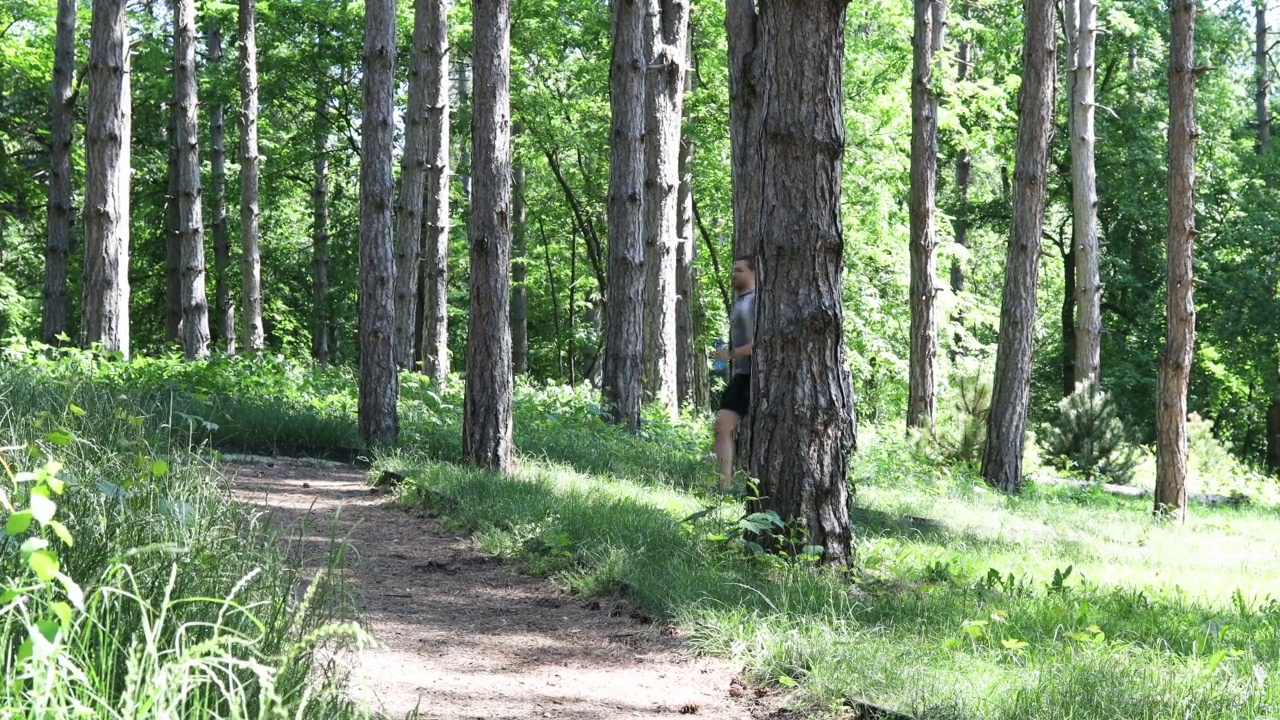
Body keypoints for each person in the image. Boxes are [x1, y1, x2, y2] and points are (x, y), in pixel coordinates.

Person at [713, 256, 756, 491]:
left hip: (755, 377)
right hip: (742, 375)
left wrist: (729, 354)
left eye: (739, 270)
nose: (734, 275)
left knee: (723, 425)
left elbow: (760, 342)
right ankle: (724, 485)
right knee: (722, 425)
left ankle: (728, 483)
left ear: (753, 273)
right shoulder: (741, 302)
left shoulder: (755, 302)